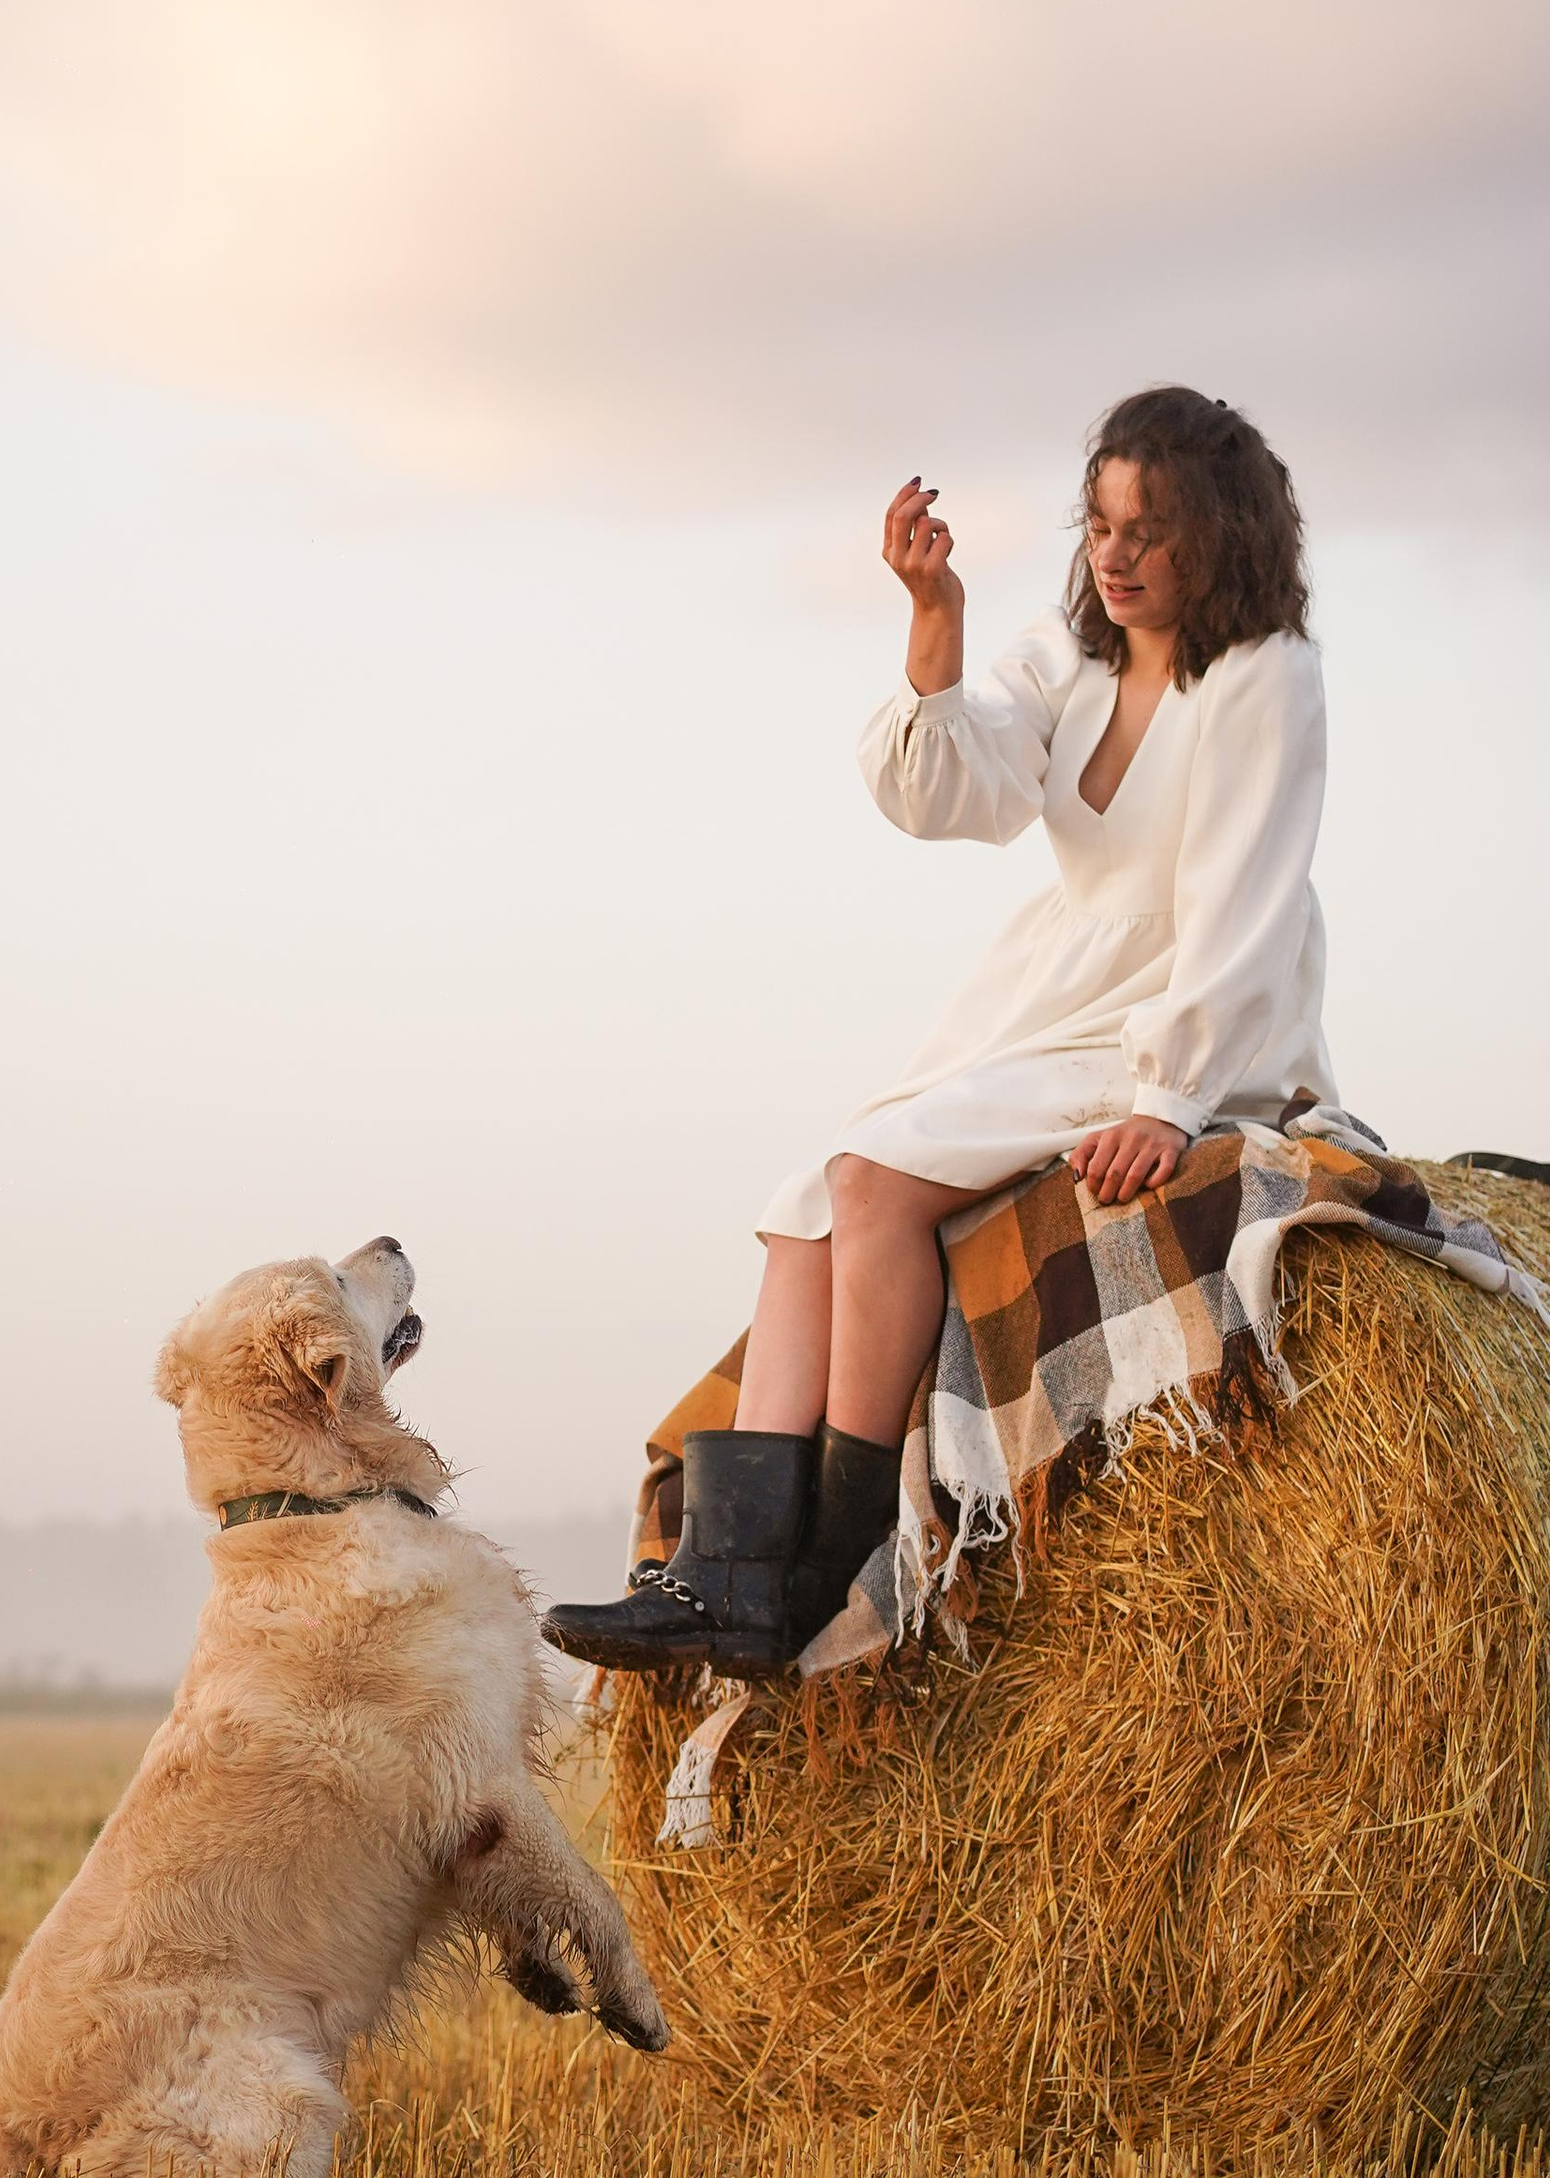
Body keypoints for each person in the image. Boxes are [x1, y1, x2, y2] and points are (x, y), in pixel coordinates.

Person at [543, 384, 1333, 1685]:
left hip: (1186, 1005)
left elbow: (1249, 894)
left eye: (1152, 528)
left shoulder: (1264, 679)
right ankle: (726, 1575)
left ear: (1224, 534)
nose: (1117, 556)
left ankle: (839, 1556)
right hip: (1057, 990)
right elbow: (949, 793)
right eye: (1101, 524)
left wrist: (1175, 1096)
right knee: (811, 1198)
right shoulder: (1070, 656)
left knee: (872, 1182)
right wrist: (934, 624)